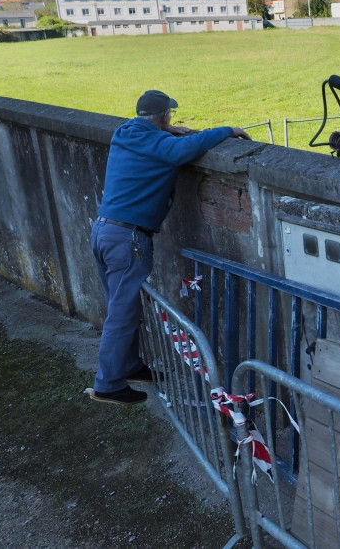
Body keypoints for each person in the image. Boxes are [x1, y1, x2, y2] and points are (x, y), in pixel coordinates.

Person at [90, 89, 251, 405]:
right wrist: (227, 131)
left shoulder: (126, 133)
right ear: (164, 116)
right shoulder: (160, 145)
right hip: (128, 239)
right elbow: (186, 149)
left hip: (103, 231)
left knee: (124, 307)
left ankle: (129, 366)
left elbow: (161, 141)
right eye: (169, 117)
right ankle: (107, 384)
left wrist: (165, 130)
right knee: (121, 314)